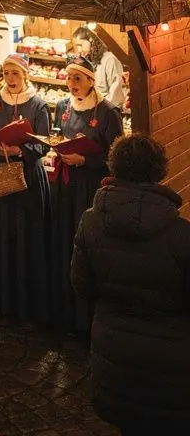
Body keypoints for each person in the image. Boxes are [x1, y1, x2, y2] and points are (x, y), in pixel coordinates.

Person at [71, 134, 190, 436]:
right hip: (171, 363)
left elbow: (82, 286)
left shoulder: (90, 222)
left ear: (114, 168)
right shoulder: (181, 233)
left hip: (114, 354)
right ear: (160, 171)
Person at [48, 54, 123, 331]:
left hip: (91, 187)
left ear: (91, 81)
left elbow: (116, 156)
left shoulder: (107, 112)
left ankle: (89, 318)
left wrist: (85, 160)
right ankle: (65, 311)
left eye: (77, 78)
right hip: (66, 186)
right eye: (68, 78)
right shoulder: (63, 107)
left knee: (88, 245)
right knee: (66, 242)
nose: (71, 84)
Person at [0, 53, 51, 324]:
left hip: (28, 180)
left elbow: (43, 144)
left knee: (25, 238)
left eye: (15, 74)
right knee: (1, 236)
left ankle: (26, 305)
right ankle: (0, 301)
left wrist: (20, 149)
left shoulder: (38, 105)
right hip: (1, 175)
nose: (10, 79)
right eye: (6, 73)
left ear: (25, 76)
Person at [71, 26, 125, 109]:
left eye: (80, 45)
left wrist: (102, 110)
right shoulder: (82, 61)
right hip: (88, 110)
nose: (78, 50)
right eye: (76, 46)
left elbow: (116, 92)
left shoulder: (109, 59)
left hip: (107, 111)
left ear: (91, 41)